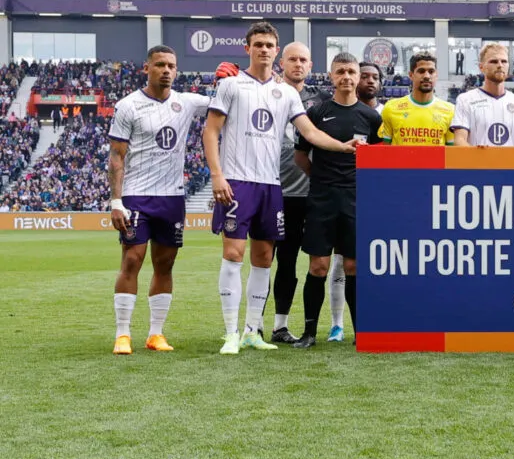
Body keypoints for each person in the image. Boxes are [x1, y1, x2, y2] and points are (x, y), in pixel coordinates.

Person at [203, 22, 361, 356]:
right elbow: (210, 131)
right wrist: (217, 176)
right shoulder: (231, 86)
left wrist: (343, 146)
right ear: (247, 48)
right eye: (257, 44)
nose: (263, 49)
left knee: (263, 259)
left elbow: (310, 133)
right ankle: (231, 332)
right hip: (237, 181)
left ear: (276, 51)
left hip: (271, 186)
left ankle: (251, 331)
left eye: (268, 45)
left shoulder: (286, 93)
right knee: (233, 254)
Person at [106, 46, 212, 354]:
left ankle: (155, 334)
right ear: (147, 68)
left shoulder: (187, 102)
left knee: (165, 264)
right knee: (131, 260)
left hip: (173, 197)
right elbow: (116, 155)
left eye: (171, 66)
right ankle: (122, 334)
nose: (166, 70)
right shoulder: (129, 106)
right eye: (160, 65)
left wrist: (229, 77)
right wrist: (116, 201)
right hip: (136, 196)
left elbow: (224, 103)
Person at [291, 53, 382, 348]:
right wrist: (321, 178)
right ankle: (308, 333)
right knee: (318, 266)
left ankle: (361, 333)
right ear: (331, 76)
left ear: (358, 76)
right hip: (322, 198)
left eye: (351, 71)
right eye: (340, 71)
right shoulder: (316, 113)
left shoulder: (371, 117)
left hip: (356, 199)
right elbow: (301, 156)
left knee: (354, 266)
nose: (346, 77)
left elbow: (379, 160)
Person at [319, 60, 385, 342]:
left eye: (374, 77)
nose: (369, 81)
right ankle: (337, 324)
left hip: (377, 199)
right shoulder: (334, 112)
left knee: (376, 263)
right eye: (365, 76)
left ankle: (375, 321)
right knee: (340, 262)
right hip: (345, 197)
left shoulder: (385, 114)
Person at [269, 41, 323, 345]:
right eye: (292, 59)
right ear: (282, 62)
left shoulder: (322, 101)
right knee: (267, 261)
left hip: (309, 194)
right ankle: (254, 325)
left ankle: (281, 325)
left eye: (304, 59)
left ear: (311, 66)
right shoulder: (268, 93)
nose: (298, 64)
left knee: (294, 262)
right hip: (273, 191)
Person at [450, 42, 514, 147]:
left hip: (510, 164)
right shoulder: (465, 100)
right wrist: (479, 158)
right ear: (481, 67)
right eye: (494, 61)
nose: (500, 65)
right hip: (477, 163)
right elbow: (459, 141)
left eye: (504, 61)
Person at [378, 52, 454, 146]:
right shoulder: (391, 108)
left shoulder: (450, 111)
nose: (426, 76)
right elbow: (385, 151)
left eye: (431, 71)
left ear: (436, 75)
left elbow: (451, 153)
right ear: (411, 75)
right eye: (421, 71)